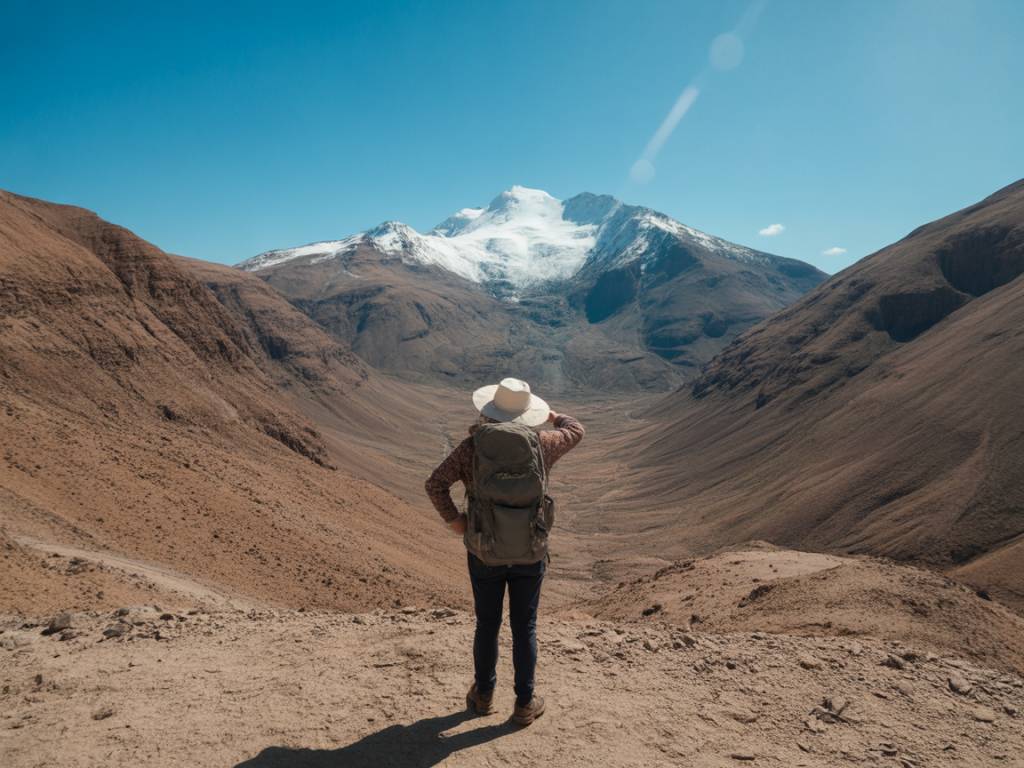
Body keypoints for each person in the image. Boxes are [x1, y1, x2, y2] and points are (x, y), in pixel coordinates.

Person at [425, 377, 585, 726]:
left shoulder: (472, 448)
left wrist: (457, 522)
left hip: (484, 551)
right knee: (524, 626)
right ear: (530, 415)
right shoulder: (544, 444)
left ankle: (483, 695)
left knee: (487, 624)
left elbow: (434, 484)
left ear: (490, 411)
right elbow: (576, 431)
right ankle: (525, 704)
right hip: (530, 551)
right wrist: (555, 417)